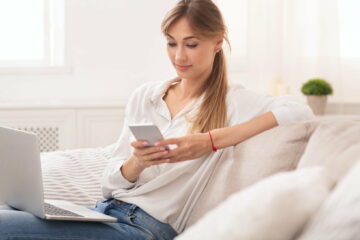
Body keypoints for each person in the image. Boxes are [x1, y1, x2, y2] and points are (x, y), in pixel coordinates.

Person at [0, 0, 314, 239]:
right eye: (171, 43)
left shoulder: (234, 101)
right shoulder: (146, 96)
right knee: (11, 209)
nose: (179, 56)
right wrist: (136, 163)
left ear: (218, 42)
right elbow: (110, 183)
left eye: (191, 44)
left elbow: (298, 112)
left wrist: (210, 140)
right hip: (105, 211)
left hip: (146, 228)